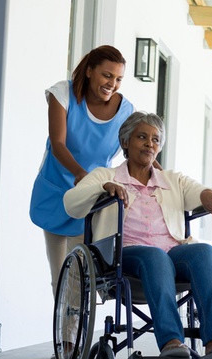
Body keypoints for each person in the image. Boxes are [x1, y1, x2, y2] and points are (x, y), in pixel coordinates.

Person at [63, 111, 212, 359]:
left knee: (204, 251)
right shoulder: (104, 176)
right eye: (142, 137)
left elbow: (199, 190)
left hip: (172, 252)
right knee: (154, 257)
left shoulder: (173, 180)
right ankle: (171, 341)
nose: (150, 144)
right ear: (126, 142)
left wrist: (207, 194)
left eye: (155, 139)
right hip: (123, 254)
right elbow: (71, 203)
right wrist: (102, 188)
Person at [29, 45, 134, 299]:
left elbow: (140, 151)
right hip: (56, 189)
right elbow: (58, 144)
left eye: (118, 78)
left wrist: (159, 176)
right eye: (107, 75)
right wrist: (81, 175)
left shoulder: (126, 110)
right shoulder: (63, 93)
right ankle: (66, 338)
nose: (112, 83)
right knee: (59, 275)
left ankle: (76, 335)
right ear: (89, 71)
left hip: (89, 197)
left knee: (79, 275)